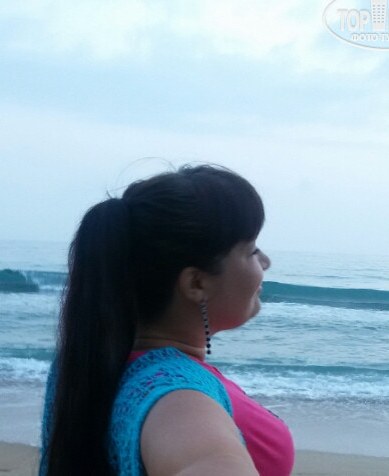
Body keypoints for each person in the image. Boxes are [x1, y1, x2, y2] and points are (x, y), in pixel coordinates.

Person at [39, 164, 294, 475]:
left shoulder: (84, 363)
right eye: (252, 251)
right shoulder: (177, 393)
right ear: (196, 283)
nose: (265, 262)